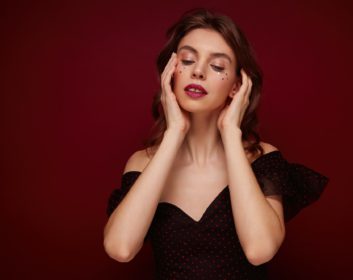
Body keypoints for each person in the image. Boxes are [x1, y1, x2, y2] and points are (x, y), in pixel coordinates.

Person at [103, 8, 329, 279]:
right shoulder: (143, 162)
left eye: (218, 66)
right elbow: (120, 248)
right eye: (187, 60)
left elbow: (260, 250)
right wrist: (174, 132)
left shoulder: (262, 159)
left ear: (237, 86)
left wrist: (230, 132)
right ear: (170, 72)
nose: (198, 71)